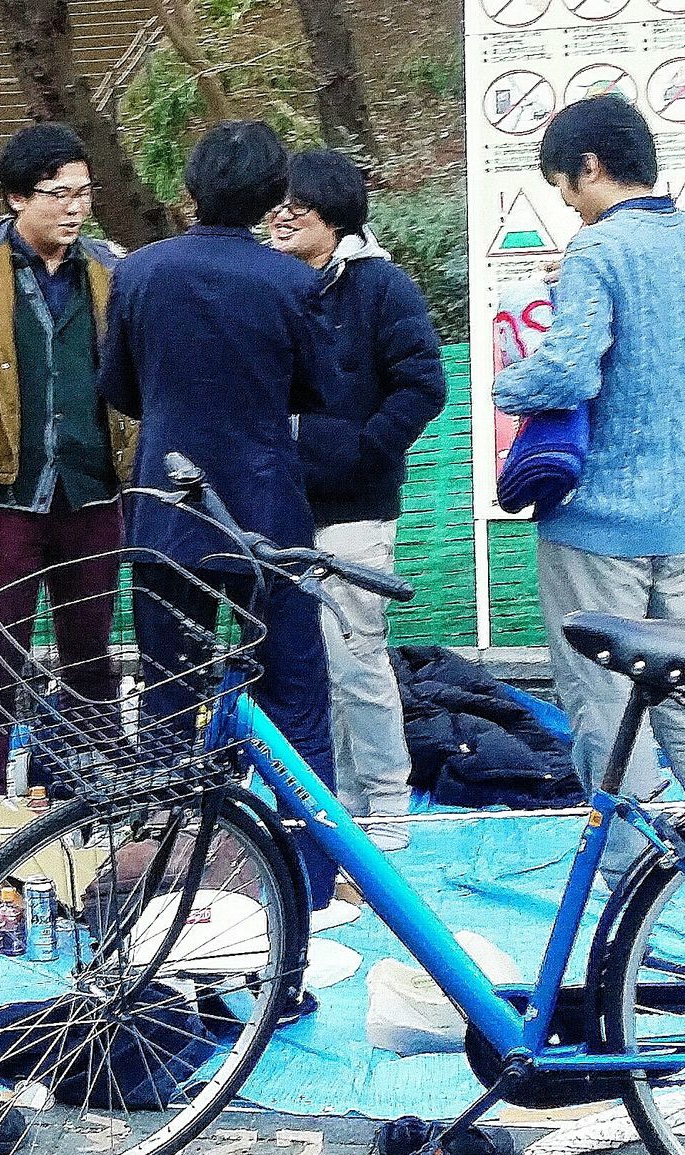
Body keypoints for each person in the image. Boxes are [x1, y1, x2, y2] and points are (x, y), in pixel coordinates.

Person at [492, 96, 685, 886]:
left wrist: (506, 385)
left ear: (589, 166)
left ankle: (626, 877)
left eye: (565, 189)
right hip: (670, 512)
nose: (568, 208)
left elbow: (570, 370)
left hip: (592, 517)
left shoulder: (596, 252)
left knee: (601, 703)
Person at [98, 121, 336, 877]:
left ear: (191, 191)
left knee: (169, 689)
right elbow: (321, 388)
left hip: (167, 508)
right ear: (273, 198)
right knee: (293, 688)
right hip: (267, 510)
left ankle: (167, 871)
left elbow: (118, 388)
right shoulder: (293, 281)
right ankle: (308, 872)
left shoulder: (139, 272)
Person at [0, 123, 131, 795]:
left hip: (93, 494)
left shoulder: (107, 269)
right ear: (17, 197)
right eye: (57, 194)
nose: (73, 208)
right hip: (4, 498)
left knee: (91, 658)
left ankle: (92, 797)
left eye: (82, 193)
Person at [268, 150, 446, 838]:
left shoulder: (382, 287)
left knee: (356, 657)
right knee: (299, 661)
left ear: (335, 214)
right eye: (276, 202)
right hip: (278, 505)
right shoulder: (271, 283)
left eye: (298, 204)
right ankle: (326, 799)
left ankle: (385, 800)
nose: (280, 215)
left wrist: (362, 451)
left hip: (356, 510)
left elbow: (423, 385)